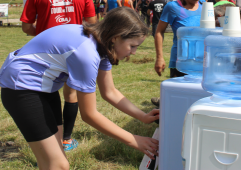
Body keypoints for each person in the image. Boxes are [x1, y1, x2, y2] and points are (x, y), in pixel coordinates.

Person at [0, 7, 159, 170]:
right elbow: (89, 115)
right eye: (132, 46)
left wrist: (142, 116)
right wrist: (134, 140)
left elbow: (110, 92)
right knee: (58, 165)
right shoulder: (87, 53)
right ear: (116, 37)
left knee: (53, 162)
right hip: (21, 89)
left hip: (44, 89)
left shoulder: (102, 43)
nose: (134, 52)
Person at [20, 0, 96, 151]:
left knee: (45, 93)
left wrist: (47, 34)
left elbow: (26, 27)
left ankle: (47, 142)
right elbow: (92, 24)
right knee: (71, 94)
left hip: (44, 50)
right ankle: (66, 139)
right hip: (72, 48)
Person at [151, 0, 204, 107]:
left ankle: (163, 100)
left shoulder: (204, 6)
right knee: (177, 101)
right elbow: (159, 32)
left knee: (198, 99)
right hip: (180, 62)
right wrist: (159, 57)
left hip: (201, 62)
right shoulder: (173, 7)